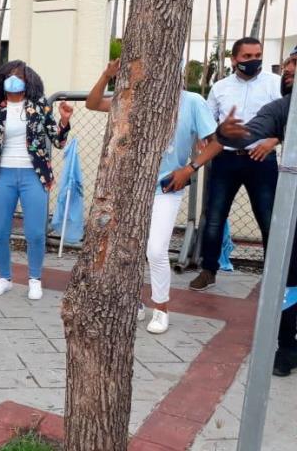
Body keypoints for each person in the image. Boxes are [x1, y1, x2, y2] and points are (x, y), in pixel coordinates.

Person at [87, 59, 218, 334]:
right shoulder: (137, 99)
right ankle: (134, 302)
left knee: (156, 250)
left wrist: (189, 168)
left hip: (166, 187)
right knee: (128, 248)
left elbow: (217, 142)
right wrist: (106, 75)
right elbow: (93, 104)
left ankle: (161, 309)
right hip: (131, 187)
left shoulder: (192, 102)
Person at [216, 44, 296, 376]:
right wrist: (228, 134)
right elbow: (246, 134)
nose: (288, 68)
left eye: (296, 63)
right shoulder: (282, 108)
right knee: (290, 277)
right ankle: (287, 346)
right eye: (289, 61)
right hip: (293, 211)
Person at [189, 37, 282, 292]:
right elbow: (208, 121)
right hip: (226, 159)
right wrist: (207, 139)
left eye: (257, 55)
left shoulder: (275, 84)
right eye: (247, 57)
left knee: (268, 219)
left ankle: (273, 276)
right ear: (234, 59)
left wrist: (272, 141)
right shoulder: (220, 88)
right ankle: (208, 271)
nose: (253, 61)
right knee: (214, 217)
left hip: (261, 159)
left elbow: (287, 119)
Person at [0, 60, 72, 300]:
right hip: (3, 174)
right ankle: (4, 278)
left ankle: (34, 279)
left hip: (34, 175)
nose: (14, 79)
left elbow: (58, 141)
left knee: (35, 233)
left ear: (28, 80)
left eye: (19, 76)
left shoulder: (39, 106)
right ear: (2, 80)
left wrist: (64, 121)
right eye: (9, 75)